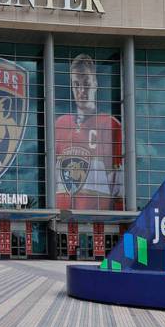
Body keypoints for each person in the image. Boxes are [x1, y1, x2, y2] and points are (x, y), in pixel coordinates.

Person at [55, 54, 123, 210]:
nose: (81, 90)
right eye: (76, 84)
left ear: (95, 84)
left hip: (98, 215)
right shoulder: (60, 124)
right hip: (62, 217)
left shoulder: (110, 124)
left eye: (86, 84)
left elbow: (118, 180)